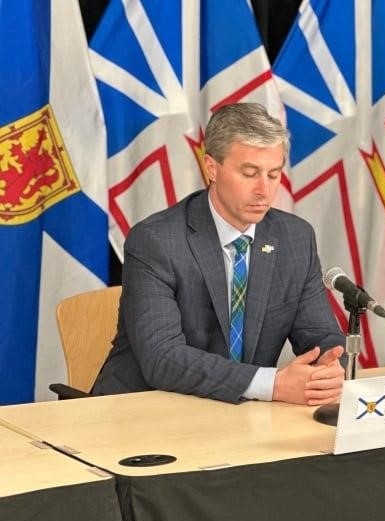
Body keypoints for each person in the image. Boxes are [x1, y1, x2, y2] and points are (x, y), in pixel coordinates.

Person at [93, 103, 345, 404]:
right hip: (144, 411)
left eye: (274, 174)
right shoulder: (156, 240)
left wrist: (328, 369)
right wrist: (272, 385)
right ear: (211, 168)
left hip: (240, 417)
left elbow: (321, 335)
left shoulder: (295, 238)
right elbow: (162, 358)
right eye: (250, 173)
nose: (264, 190)